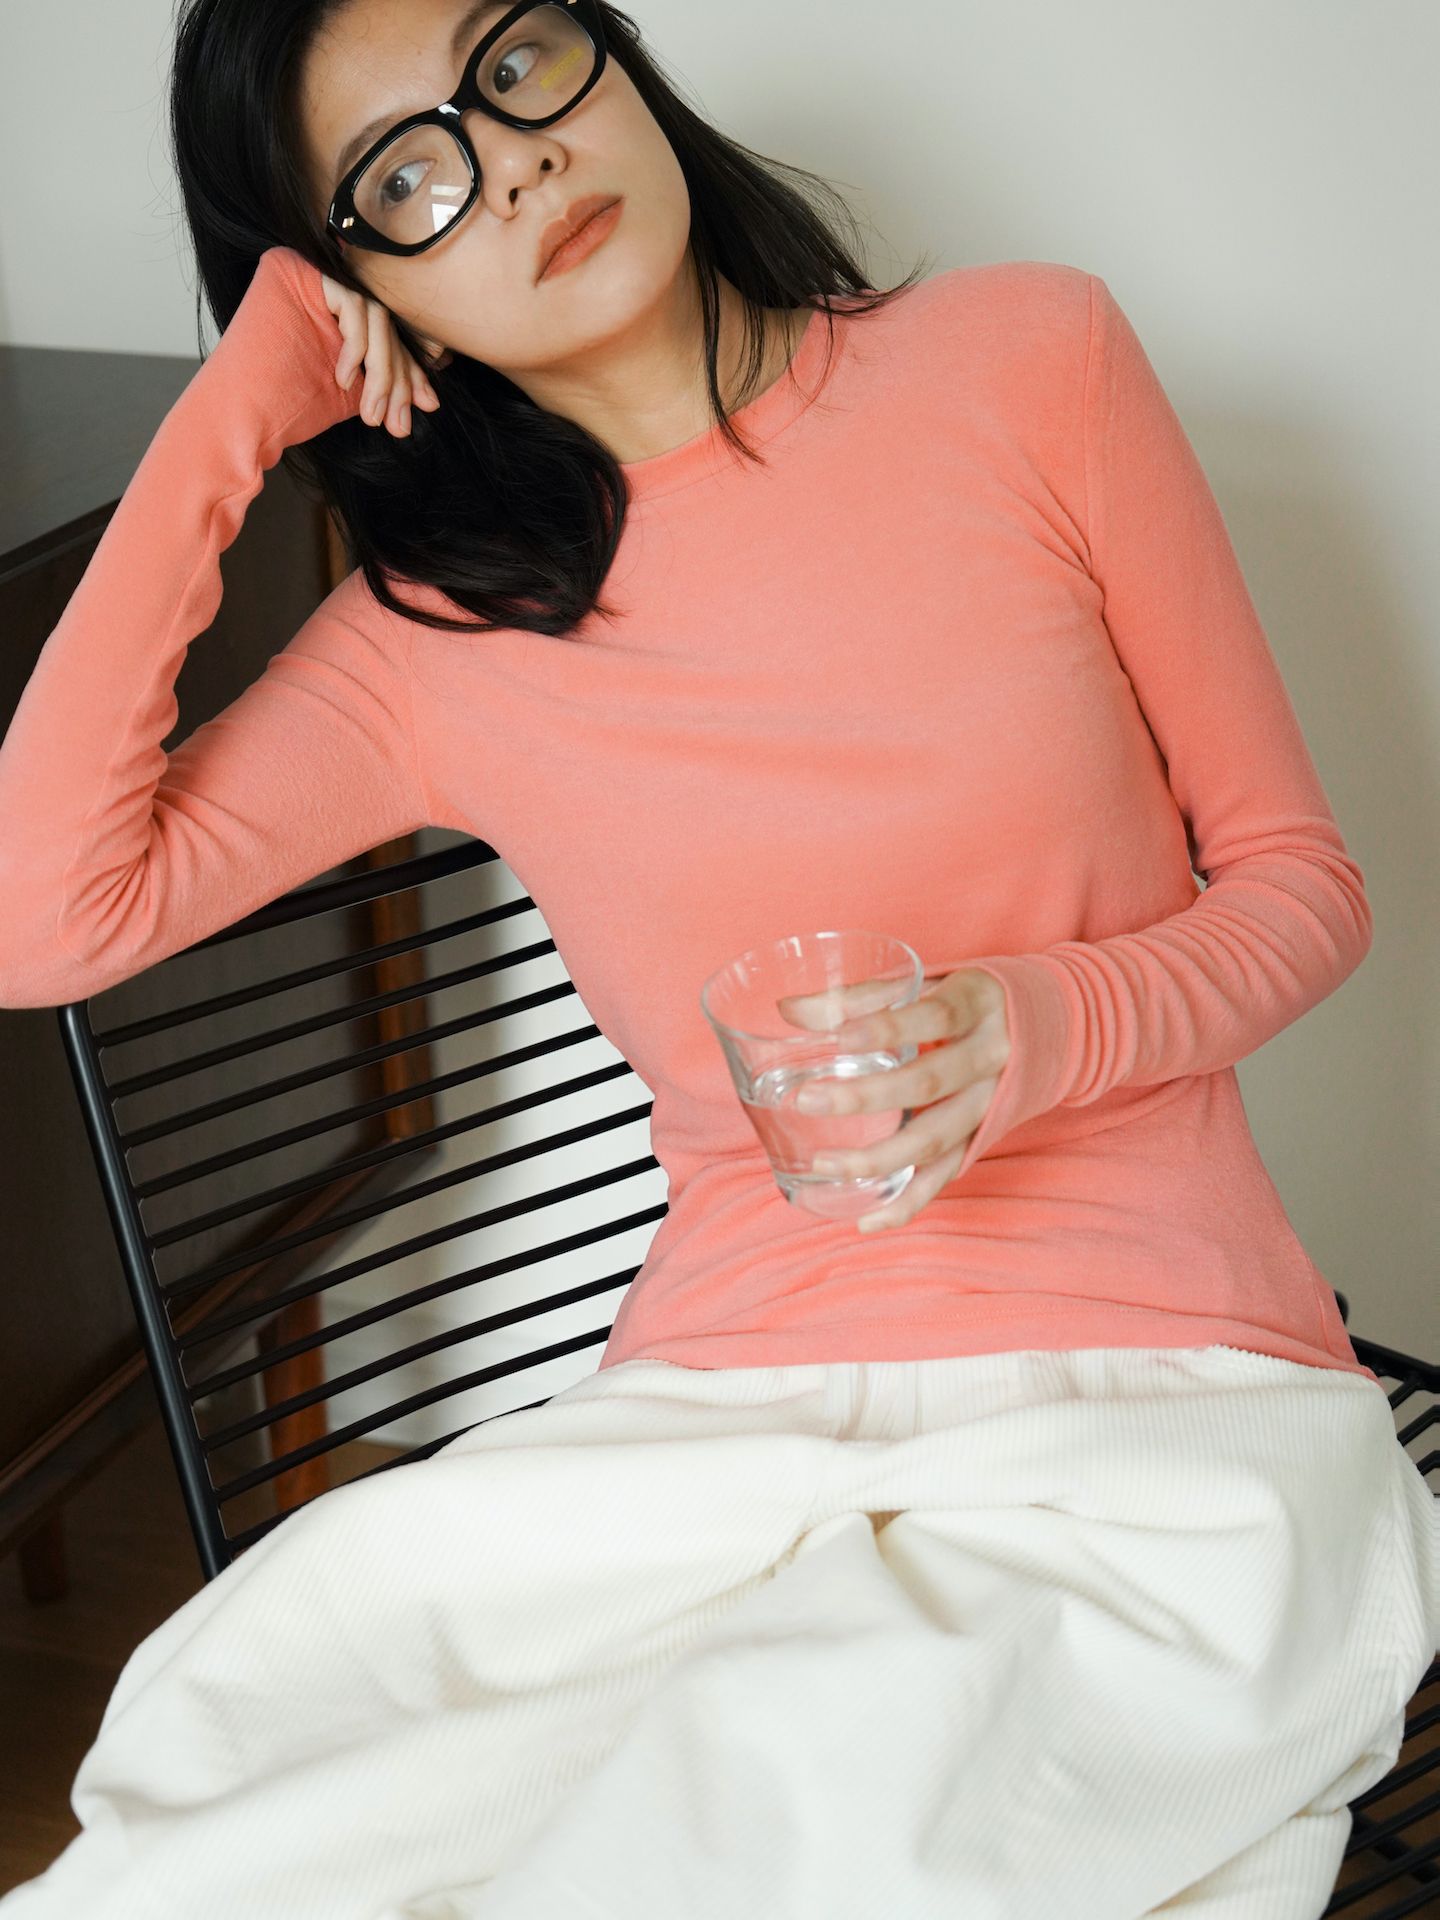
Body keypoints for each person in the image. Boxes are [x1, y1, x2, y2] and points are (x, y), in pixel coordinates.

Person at [0, 1, 1434, 1915]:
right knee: (254, 1804)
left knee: (817, 1826)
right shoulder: (429, 642)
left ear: (606, 53)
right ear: (356, 291)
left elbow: (1300, 885)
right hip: (718, 1426)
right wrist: (231, 419)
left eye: (513, 65)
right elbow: (41, 917)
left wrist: (1038, 1022)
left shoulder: (1034, 360)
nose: (511, 162)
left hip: (1157, 1386)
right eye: (407, 181)